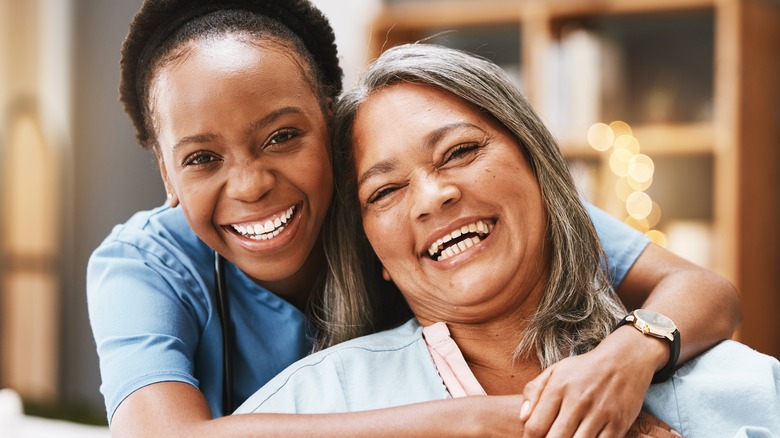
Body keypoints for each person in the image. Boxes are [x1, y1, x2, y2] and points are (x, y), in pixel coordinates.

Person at [87, 0, 740, 435]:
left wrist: (628, 356)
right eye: (201, 157)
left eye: (283, 137)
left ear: (332, 124)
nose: (252, 183)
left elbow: (702, 290)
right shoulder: (145, 266)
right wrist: (484, 420)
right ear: (167, 175)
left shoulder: (426, 202)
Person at [236, 43, 780, 437]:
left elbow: (709, 291)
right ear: (371, 251)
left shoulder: (744, 386)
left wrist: (631, 356)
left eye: (460, 151)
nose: (432, 196)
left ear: (540, 169)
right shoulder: (315, 405)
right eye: (385, 191)